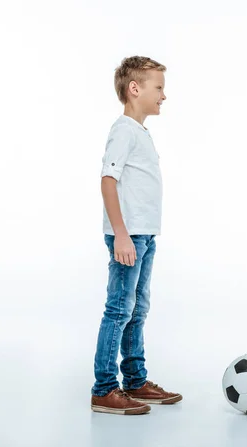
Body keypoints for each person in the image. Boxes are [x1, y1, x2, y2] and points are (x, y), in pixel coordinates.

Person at [91, 56, 182, 415]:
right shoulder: (124, 129)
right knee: (119, 309)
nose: (164, 95)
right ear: (135, 88)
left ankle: (135, 379)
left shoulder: (139, 132)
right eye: (158, 87)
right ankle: (104, 388)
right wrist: (122, 236)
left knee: (137, 309)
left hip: (144, 235)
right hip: (128, 238)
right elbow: (107, 181)